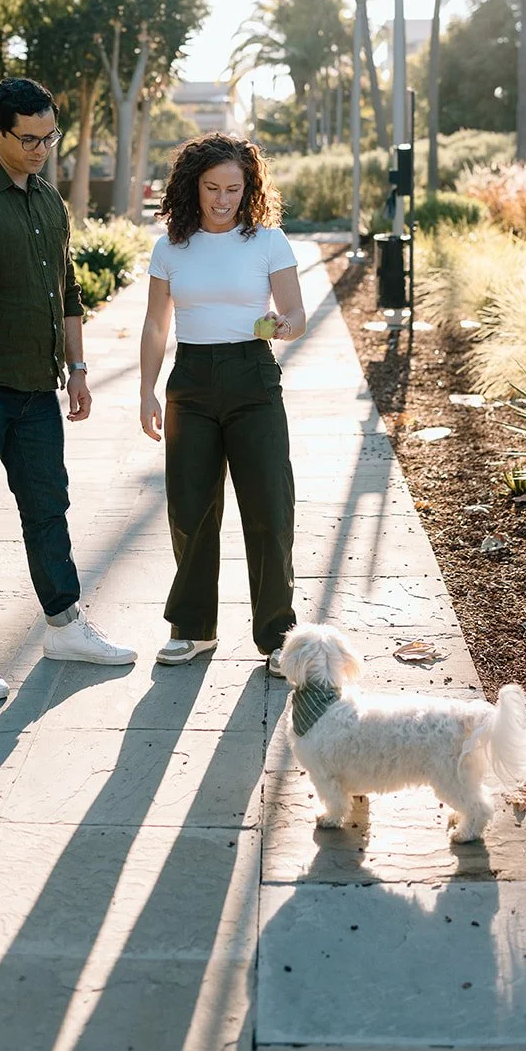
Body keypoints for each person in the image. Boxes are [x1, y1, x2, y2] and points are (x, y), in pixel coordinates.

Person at [0, 76, 136, 701]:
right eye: (28, 138)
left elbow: (66, 292)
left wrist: (78, 369)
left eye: (49, 137)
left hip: (36, 386)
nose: (41, 149)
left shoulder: (47, 200)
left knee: (48, 506)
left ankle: (64, 625)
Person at [139, 133, 306, 673]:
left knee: (269, 509)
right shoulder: (170, 247)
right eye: (212, 188)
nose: (222, 200)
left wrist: (282, 326)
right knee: (190, 508)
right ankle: (192, 629)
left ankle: (279, 636)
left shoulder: (268, 241)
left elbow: (295, 316)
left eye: (233, 188)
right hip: (190, 379)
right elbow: (155, 323)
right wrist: (146, 390)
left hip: (253, 378)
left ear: (248, 188)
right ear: (193, 187)